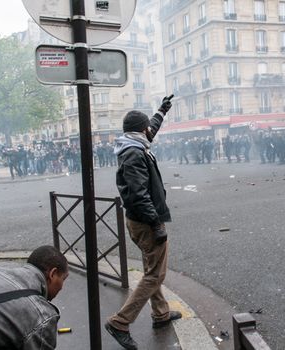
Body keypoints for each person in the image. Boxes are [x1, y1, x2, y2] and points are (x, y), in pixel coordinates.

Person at [105, 96, 181, 350]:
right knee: (155, 275)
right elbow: (138, 195)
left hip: (137, 221)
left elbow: (151, 130)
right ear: (141, 129)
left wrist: (161, 111)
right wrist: (156, 222)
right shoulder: (135, 153)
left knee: (152, 270)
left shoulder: (132, 143)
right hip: (145, 222)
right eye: (148, 126)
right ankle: (120, 322)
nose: (151, 129)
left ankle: (160, 314)